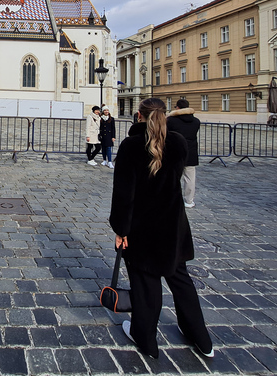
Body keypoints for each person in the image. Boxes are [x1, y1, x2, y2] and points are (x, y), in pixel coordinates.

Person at [109, 98, 213, 360]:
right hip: (172, 226)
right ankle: (201, 339)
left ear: (138, 116)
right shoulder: (177, 143)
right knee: (182, 282)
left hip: (143, 229)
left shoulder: (131, 146)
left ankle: (145, 339)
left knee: (146, 284)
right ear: (165, 115)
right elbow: (172, 180)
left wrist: (121, 230)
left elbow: (124, 195)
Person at [167, 99, 200, 208]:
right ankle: (189, 201)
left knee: (173, 177)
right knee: (190, 178)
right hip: (190, 152)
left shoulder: (171, 120)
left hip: (175, 151)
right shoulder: (196, 121)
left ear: (177, 108)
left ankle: (171, 198)